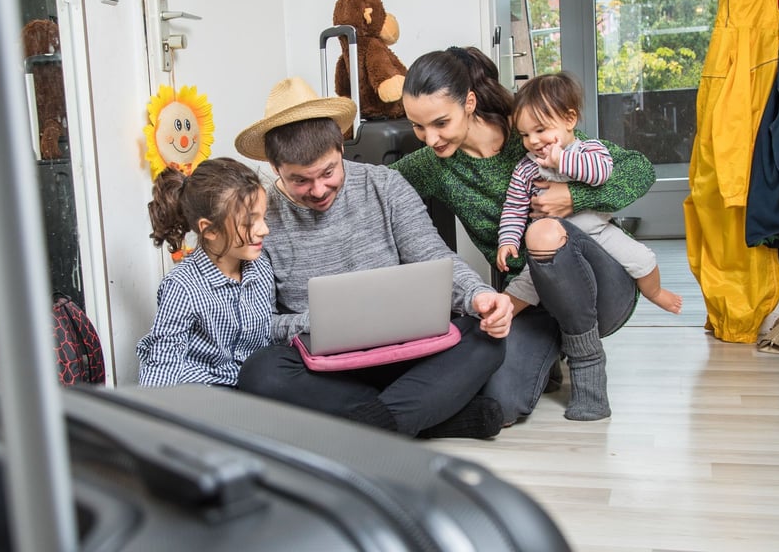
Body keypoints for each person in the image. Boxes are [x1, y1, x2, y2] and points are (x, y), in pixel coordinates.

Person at [233, 76, 512, 439]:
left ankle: (369, 429)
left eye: (328, 172)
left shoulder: (386, 186)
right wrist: (319, 322)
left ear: (341, 149)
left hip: (406, 355)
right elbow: (260, 322)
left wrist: (479, 295)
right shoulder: (261, 218)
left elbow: (433, 257)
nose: (319, 190)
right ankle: (425, 422)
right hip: (326, 368)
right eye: (301, 181)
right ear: (275, 169)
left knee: (485, 334)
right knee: (259, 374)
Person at [391, 47, 656, 422]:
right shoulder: (433, 165)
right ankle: (549, 353)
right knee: (502, 404)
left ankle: (587, 362)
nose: (430, 139)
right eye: (418, 127)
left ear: (468, 103)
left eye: (440, 123)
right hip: (528, 298)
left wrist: (574, 195)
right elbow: (377, 185)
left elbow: (639, 170)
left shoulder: (531, 133)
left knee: (546, 232)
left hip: (598, 289)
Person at [497, 72, 682, 315]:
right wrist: (508, 240)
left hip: (599, 233)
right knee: (525, 284)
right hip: (549, 247)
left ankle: (655, 293)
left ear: (569, 119)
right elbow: (514, 208)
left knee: (643, 259)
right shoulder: (526, 167)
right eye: (524, 135)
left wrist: (561, 160)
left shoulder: (590, 149)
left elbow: (600, 173)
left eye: (540, 130)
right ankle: (499, 315)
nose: (532, 141)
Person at [136, 158, 273, 387]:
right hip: (205, 395)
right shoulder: (182, 286)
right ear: (209, 230)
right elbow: (163, 362)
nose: (264, 230)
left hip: (253, 387)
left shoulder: (261, 267)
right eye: (250, 222)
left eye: (263, 217)